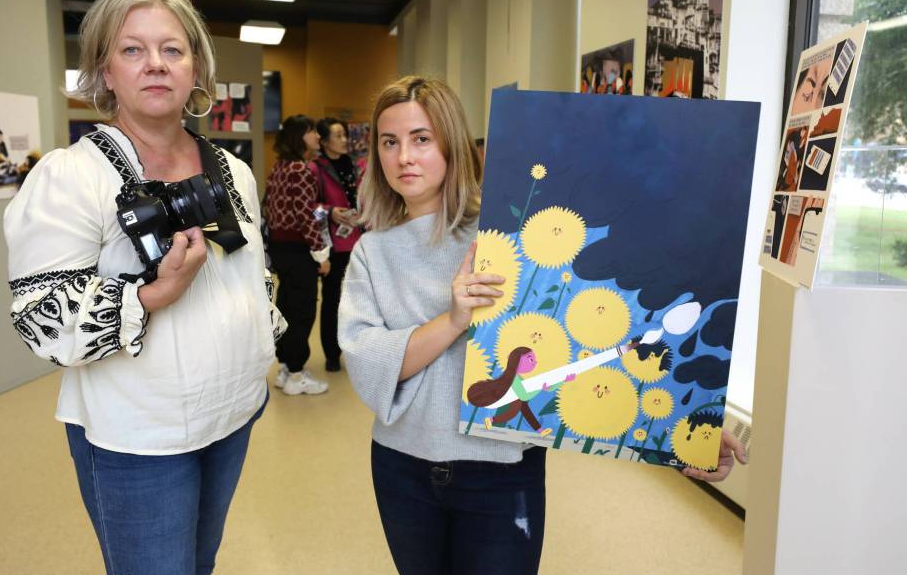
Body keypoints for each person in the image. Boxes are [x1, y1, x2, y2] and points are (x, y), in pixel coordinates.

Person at [339, 76, 747, 575]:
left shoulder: (510, 234)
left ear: (450, 142)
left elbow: (599, 335)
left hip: (499, 472)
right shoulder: (372, 252)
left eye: (421, 138)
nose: (404, 156)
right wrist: (452, 321)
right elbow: (366, 361)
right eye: (390, 141)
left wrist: (687, 428)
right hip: (402, 468)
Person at [3, 0, 276, 575]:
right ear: (105, 71)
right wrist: (154, 295)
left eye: (172, 50)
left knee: (199, 562)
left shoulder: (231, 170)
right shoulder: (71, 177)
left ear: (197, 67)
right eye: (132, 50)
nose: (155, 64)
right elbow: (42, 321)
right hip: (138, 437)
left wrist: (263, 347)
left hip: (232, 412)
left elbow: (253, 276)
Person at [266, 114, 331, 395]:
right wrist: (321, 254)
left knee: (286, 307)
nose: (317, 136)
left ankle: (285, 367)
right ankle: (295, 373)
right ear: (299, 136)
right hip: (299, 251)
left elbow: (270, 208)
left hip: (280, 250)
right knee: (303, 311)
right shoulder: (302, 170)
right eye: (311, 131)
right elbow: (306, 217)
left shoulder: (279, 167)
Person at [313, 116, 364, 372]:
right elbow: (308, 209)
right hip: (332, 244)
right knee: (332, 299)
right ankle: (332, 353)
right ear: (323, 141)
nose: (344, 140)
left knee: (361, 297)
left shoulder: (354, 166)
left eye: (345, 135)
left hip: (360, 240)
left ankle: (360, 347)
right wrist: (331, 211)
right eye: (338, 135)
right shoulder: (315, 169)